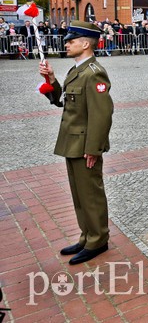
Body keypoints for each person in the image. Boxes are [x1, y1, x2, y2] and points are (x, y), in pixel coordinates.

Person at [38, 21, 114, 265]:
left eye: (71, 40)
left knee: (91, 195)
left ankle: (98, 239)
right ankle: (87, 235)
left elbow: (102, 115)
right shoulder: (76, 70)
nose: (66, 43)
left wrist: (93, 149)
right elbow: (62, 100)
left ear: (85, 44)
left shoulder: (94, 72)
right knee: (80, 195)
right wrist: (50, 78)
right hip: (73, 143)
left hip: (85, 147)